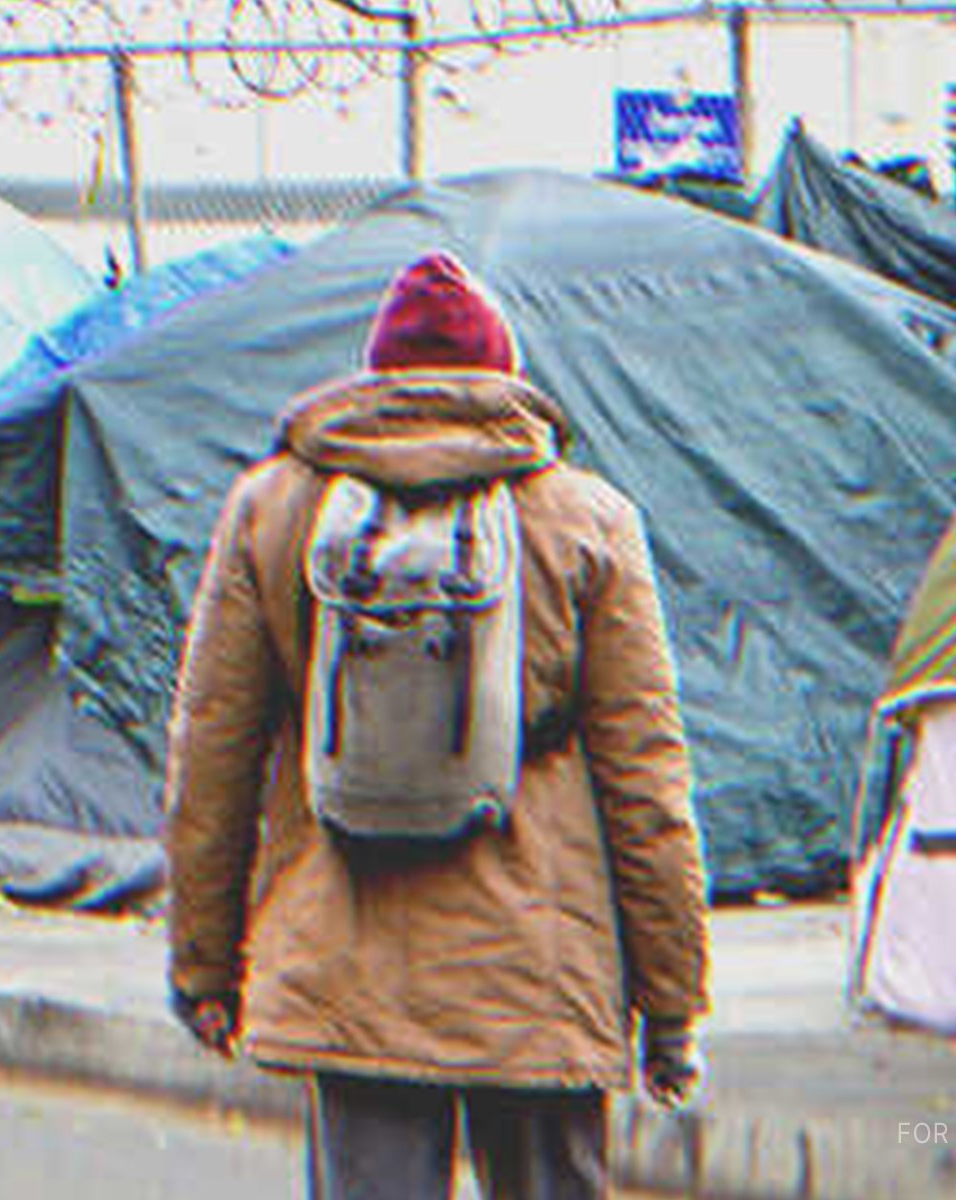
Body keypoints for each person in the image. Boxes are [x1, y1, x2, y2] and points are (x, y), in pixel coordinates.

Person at [163, 250, 710, 1200]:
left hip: (347, 960)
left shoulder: (273, 508)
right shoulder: (585, 520)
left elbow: (213, 751)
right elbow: (645, 780)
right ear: (506, 374)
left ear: (376, 375)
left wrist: (205, 963)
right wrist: (672, 999)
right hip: (539, 969)